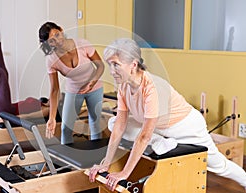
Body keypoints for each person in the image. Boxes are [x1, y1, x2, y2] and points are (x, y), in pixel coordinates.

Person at [88, 38, 246, 191]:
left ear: (133, 65)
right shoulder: (123, 86)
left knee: (219, 166)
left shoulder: (152, 87)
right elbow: (120, 125)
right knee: (113, 122)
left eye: (116, 65)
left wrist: (124, 174)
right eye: (110, 64)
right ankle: (161, 143)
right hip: (158, 128)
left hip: (185, 127)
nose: (111, 71)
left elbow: (144, 136)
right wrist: (106, 163)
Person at [38, 21, 105, 144]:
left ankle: (98, 159)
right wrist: (52, 118)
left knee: (95, 124)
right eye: (52, 40)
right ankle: (67, 160)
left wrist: (92, 82)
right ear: (48, 44)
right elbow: (54, 90)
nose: (57, 41)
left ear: (61, 30)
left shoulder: (82, 44)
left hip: (95, 87)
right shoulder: (51, 59)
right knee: (65, 128)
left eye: (57, 35)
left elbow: (100, 66)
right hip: (74, 91)